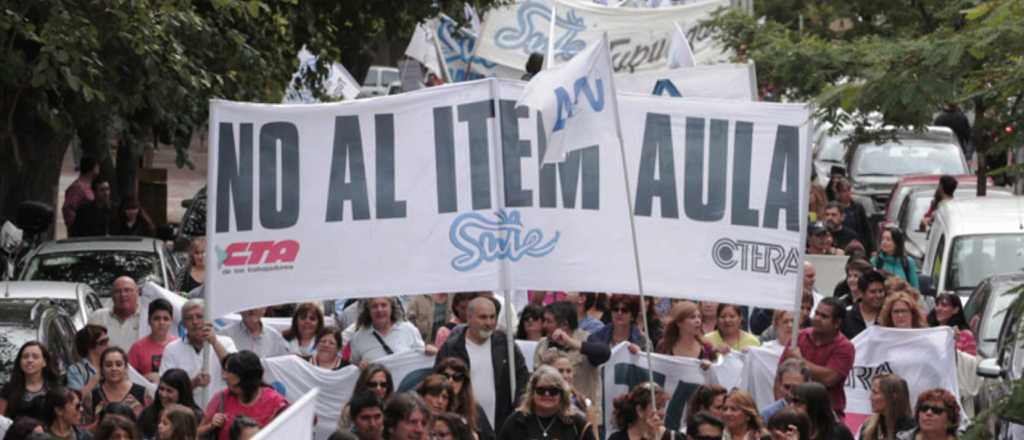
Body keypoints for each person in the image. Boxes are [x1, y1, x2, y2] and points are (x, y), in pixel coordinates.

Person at [436, 297, 528, 432]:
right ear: (469, 317)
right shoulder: (452, 348)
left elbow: (522, 376)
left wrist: (518, 407)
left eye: (492, 317)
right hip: (464, 426)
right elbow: (438, 383)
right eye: (483, 317)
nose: (489, 323)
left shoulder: (505, 344)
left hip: (502, 425)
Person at [781, 298, 854, 418]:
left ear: (837, 323)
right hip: (794, 411)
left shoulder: (845, 347)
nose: (817, 318)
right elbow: (780, 377)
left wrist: (800, 360)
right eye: (816, 313)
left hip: (827, 414)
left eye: (824, 316)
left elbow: (829, 378)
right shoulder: (798, 337)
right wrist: (783, 408)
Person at [159, 299, 238, 408]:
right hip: (186, 415)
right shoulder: (172, 349)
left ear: (208, 319)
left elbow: (235, 371)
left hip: (221, 412)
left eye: (199, 316)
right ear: (183, 324)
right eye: (189, 318)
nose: (195, 322)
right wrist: (192, 384)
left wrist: (214, 342)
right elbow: (166, 390)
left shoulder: (226, 342)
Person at [199, 351, 288, 440]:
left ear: (251, 382)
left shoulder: (277, 404)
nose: (224, 376)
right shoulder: (221, 398)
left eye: (237, 386)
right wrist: (211, 426)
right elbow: (196, 434)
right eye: (229, 384)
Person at [535, 301, 610, 405]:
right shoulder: (542, 345)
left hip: (585, 413)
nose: (544, 325)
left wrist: (570, 342)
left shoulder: (587, 338)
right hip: (552, 412)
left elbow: (605, 353)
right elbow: (535, 381)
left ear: (564, 324)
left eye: (548, 321)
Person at [496, 366, 595, 440]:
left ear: (561, 394)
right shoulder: (516, 421)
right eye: (541, 390)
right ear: (532, 392)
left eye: (553, 391)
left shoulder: (576, 424)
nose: (547, 394)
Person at [350, 297, 432, 365]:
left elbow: (421, 357)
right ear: (369, 311)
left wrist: (431, 352)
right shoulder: (358, 338)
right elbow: (354, 367)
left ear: (391, 308)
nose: (379, 310)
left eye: (384, 305)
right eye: (374, 306)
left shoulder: (408, 329)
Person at [82, 347, 149, 426]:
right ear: (102, 369)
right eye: (108, 365)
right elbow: (86, 430)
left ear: (126, 368)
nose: (114, 368)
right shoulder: (92, 396)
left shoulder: (142, 393)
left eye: (119, 364)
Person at [433, 357, 493, 440]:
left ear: (464, 382)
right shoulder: (432, 405)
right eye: (445, 376)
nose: (450, 381)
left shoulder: (475, 408)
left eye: (457, 377)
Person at [0, 341, 61, 421]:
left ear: (44, 362)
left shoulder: (54, 388)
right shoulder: (8, 389)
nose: (29, 360)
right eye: (25, 356)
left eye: (35, 357)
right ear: (20, 362)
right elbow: (1, 420)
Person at [138, 369, 204, 440]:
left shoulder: (196, 417)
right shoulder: (148, 413)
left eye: (169, 391)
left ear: (182, 392)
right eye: (161, 389)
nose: (164, 395)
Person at [130, 299, 178, 382]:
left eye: (166, 319)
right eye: (157, 318)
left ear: (171, 321)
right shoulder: (137, 348)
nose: (161, 322)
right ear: (149, 321)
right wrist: (145, 378)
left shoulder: (179, 345)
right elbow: (128, 378)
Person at [89, 276, 142, 350]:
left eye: (127, 290)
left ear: (137, 292)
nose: (123, 294)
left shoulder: (147, 318)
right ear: (112, 296)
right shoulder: (98, 318)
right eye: (117, 291)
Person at [609, 382, 677, 440]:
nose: (663, 413)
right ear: (640, 410)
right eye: (657, 407)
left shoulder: (673, 437)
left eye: (663, 407)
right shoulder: (616, 438)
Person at [339, 365, 395, 431]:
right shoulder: (349, 410)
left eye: (383, 385)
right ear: (363, 385)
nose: (378, 388)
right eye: (373, 384)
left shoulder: (394, 409)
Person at [218, 307, 289, 358]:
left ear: (264, 309)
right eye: (247, 305)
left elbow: (282, 364)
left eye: (256, 306)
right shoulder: (225, 334)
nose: (251, 310)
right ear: (240, 310)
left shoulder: (274, 336)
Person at [860, 374, 914, 440]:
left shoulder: (912, 429)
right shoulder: (868, 427)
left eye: (875, 392)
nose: (870, 398)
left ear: (893, 396)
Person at [841, 270, 887, 339]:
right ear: (861, 293)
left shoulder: (888, 314)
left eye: (880, 291)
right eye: (872, 292)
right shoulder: (847, 316)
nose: (878, 295)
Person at [834, 177, 874, 253]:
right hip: (841, 244)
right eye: (844, 191)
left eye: (849, 190)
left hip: (857, 244)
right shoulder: (834, 208)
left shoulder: (857, 207)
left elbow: (866, 228)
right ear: (838, 193)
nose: (847, 194)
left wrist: (872, 248)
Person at [68, 325, 110, 395]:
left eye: (107, 341)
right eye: (103, 342)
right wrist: (94, 381)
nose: (108, 345)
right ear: (89, 345)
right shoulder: (76, 370)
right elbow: (75, 400)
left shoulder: (115, 363)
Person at [63, 156, 100, 232]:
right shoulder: (77, 188)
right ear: (93, 168)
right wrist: (76, 227)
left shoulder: (91, 186)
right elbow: (68, 208)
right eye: (97, 166)